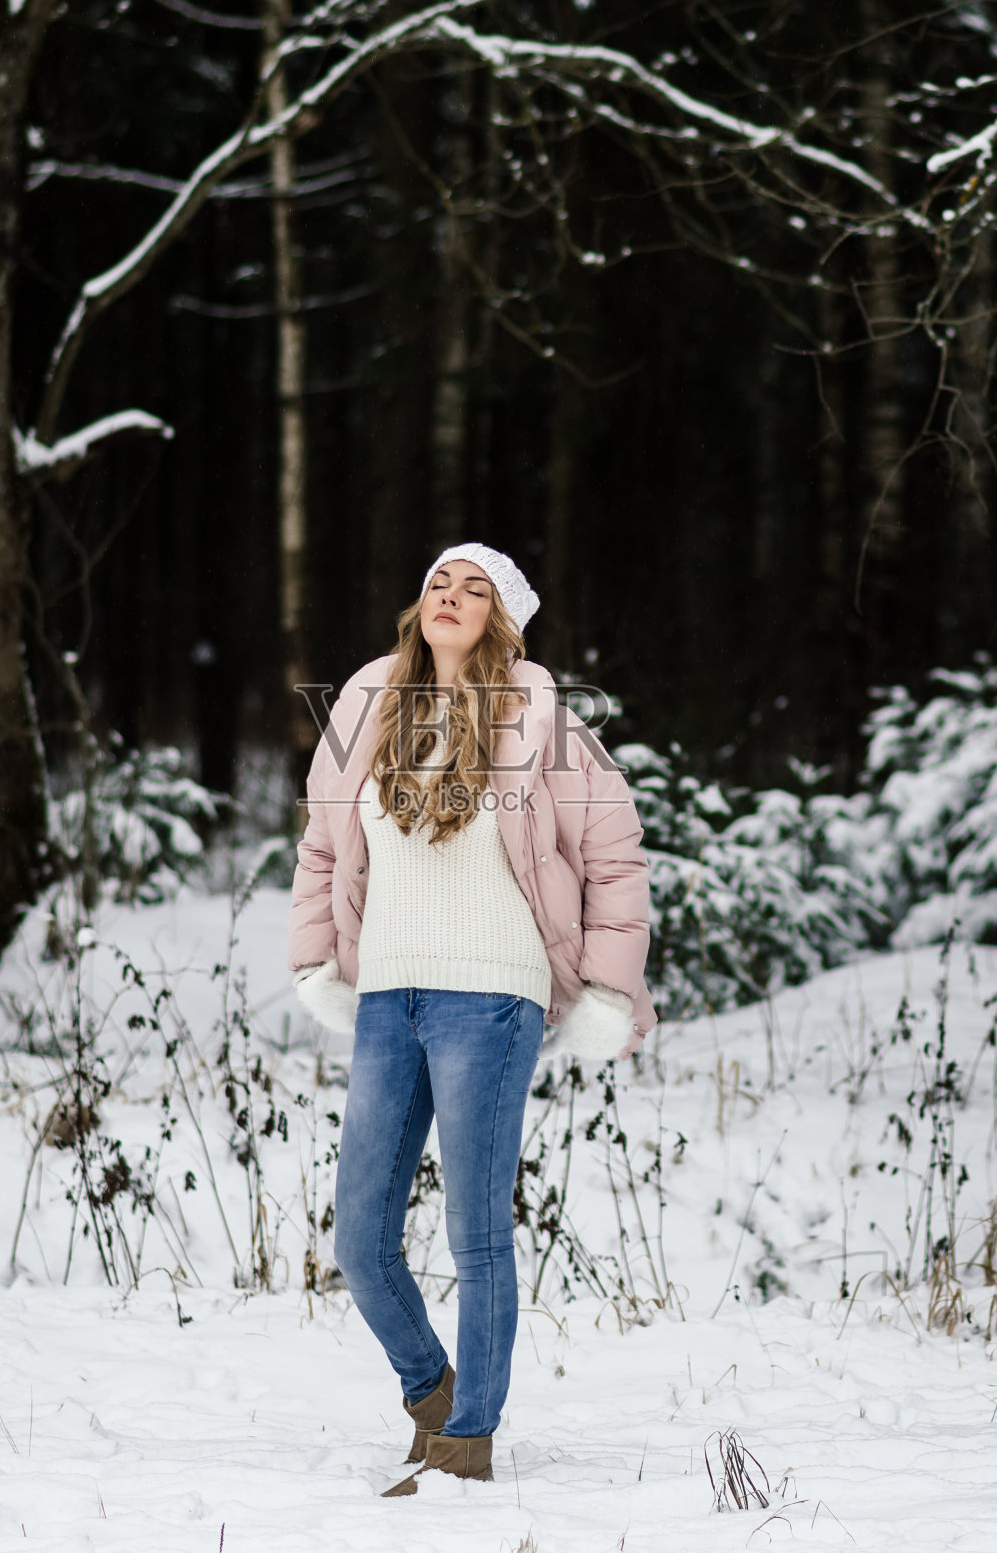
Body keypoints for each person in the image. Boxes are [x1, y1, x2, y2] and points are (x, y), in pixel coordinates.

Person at [286, 541, 657, 1498]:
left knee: (476, 1232)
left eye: (475, 589)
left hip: (493, 992)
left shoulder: (543, 719)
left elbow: (616, 859)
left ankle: (469, 1442)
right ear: (419, 608)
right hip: (387, 995)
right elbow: (321, 850)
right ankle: (433, 1391)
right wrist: (316, 958)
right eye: (438, 584)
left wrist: (611, 989)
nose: (450, 597)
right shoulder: (367, 706)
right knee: (360, 1240)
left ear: (505, 620)